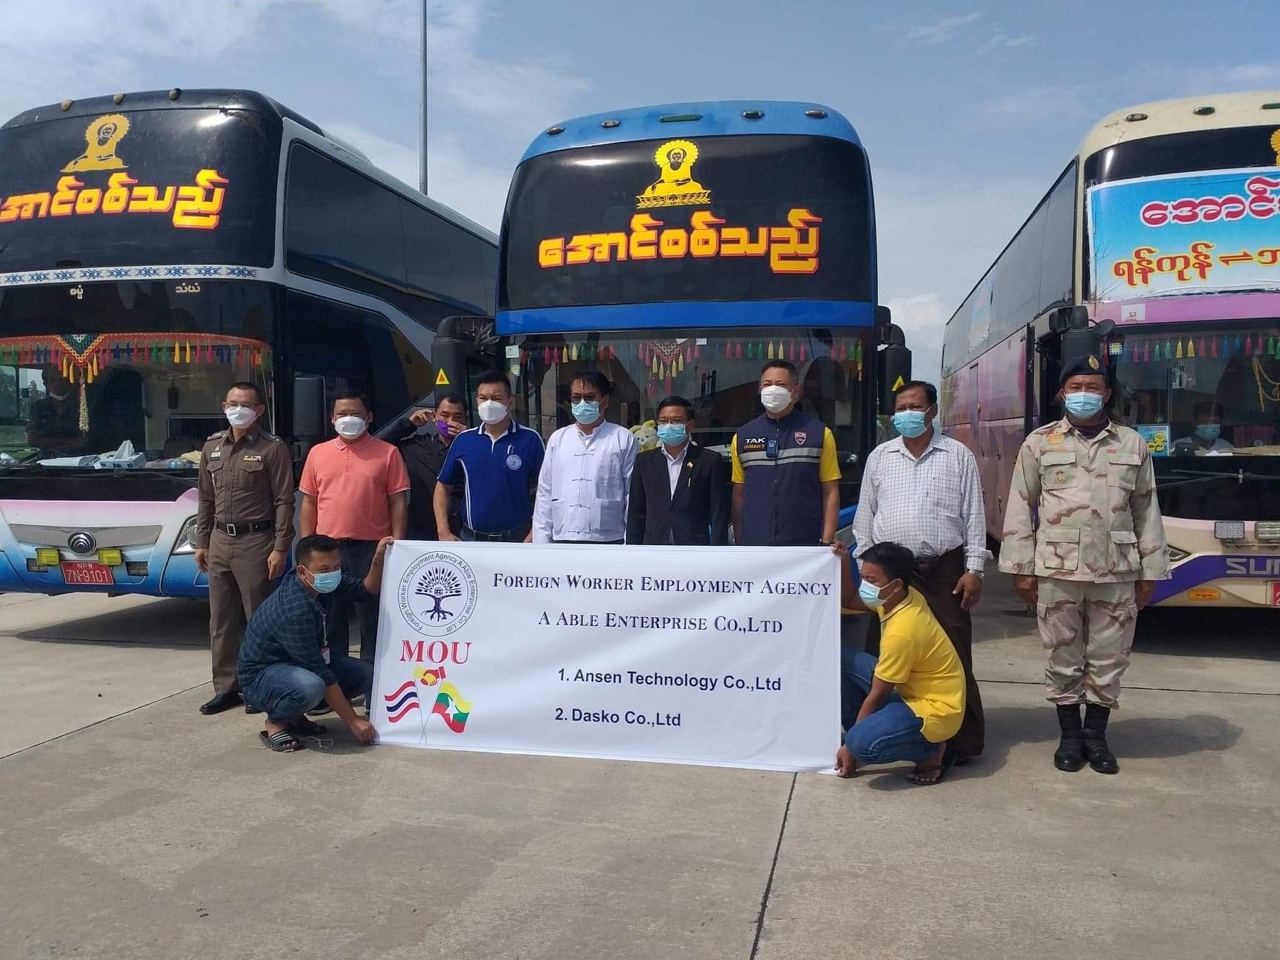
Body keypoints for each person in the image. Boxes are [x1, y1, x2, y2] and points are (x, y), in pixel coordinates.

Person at [999, 356, 1170, 775]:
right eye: (1076, 387)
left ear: (1107, 394)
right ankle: (1070, 737)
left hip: (1117, 569)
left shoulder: (1131, 444)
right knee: (1062, 655)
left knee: (1109, 657)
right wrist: (1021, 567)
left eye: (1093, 387)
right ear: (1062, 393)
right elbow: (1021, 504)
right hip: (1057, 570)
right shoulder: (1040, 442)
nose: (1084, 394)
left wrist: (1151, 570)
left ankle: (1096, 736)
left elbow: (1147, 509)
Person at [852, 380, 987, 761]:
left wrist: (974, 568)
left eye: (914, 407)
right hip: (892, 572)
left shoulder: (957, 455)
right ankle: (884, 729)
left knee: (953, 649)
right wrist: (866, 564)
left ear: (932, 411)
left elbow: (973, 514)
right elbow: (865, 515)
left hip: (943, 568)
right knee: (885, 649)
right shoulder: (881, 456)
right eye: (900, 408)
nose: (906, 414)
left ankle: (960, 743)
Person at [237, 534, 393, 752]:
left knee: (366, 673)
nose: (332, 573)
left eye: (336, 567)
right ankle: (276, 722)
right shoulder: (295, 610)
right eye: (324, 569)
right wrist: (353, 721)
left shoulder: (321, 583)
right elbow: (318, 670)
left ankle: (295, 717)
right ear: (303, 571)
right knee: (312, 686)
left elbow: (366, 590)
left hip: (298, 665)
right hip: (260, 677)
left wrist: (378, 559)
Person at [194, 382, 295, 716]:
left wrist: (280, 547)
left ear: (259, 410)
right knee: (221, 620)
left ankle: (259, 687)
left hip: (256, 541)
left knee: (258, 619)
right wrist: (202, 542)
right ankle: (226, 688)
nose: (238, 410)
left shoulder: (272, 448)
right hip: (220, 540)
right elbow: (205, 499)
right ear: (224, 405)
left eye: (246, 405)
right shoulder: (212, 446)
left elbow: (284, 500)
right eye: (233, 403)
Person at [833, 541, 965, 785]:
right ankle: (862, 728)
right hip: (908, 688)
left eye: (871, 580)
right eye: (863, 577)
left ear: (895, 585)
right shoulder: (901, 597)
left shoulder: (903, 631)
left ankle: (931, 751)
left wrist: (850, 747)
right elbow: (850, 600)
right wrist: (843, 562)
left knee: (862, 745)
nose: (865, 585)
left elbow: (878, 695)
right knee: (839, 660)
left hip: (933, 708)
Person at [299, 392, 409, 664]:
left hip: (371, 550)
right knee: (331, 620)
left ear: (368, 417)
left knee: (371, 620)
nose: (348, 419)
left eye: (356, 414)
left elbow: (398, 502)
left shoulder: (388, 453)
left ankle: (370, 679)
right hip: (328, 550)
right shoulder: (317, 453)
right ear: (332, 418)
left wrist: (397, 543)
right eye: (342, 414)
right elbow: (309, 502)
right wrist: (306, 546)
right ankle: (338, 677)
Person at [730, 359, 841, 546]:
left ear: (796, 391)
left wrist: (826, 541)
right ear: (760, 389)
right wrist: (740, 541)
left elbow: (830, 491)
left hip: (804, 544)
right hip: (755, 544)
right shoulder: (742, 437)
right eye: (767, 384)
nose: (773, 389)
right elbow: (739, 494)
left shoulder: (820, 434)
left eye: (781, 385)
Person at [435, 371, 544, 542]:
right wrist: (443, 531)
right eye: (483, 398)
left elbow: (546, 490)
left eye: (496, 398)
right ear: (477, 401)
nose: (489, 404)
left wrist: (534, 533)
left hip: (517, 539)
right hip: (471, 539)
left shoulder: (530, 439)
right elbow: (443, 487)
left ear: (509, 402)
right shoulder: (464, 440)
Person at [533, 370, 638, 544]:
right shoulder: (558, 439)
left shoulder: (622, 438)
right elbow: (545, 492)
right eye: (576, 398)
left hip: (609, 540)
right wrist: (541, 542)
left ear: (605, 401)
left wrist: (629, 544)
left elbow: (631, 495)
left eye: (589, 398)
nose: (582, 403)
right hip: (563, 538)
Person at [626, 395, 729, 545]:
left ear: (690, 425)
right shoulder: (644, 461)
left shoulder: (708, 460)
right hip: (654, 546)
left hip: (694, 546)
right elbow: (636, 512)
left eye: (676, 421)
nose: (669, 425)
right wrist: (633, 550)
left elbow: (718, 513)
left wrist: (717, 552)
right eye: (663, 421)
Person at [385, 393, 468, 540]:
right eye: (445, 415)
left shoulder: (473, 449)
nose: (450, 421)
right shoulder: (417, 446)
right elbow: (381, 447)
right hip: (421, 530)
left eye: (457, 416)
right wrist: (409, 424)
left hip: (462, 531)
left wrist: (468, 437)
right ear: (435, 417)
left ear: (465, 419)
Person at [26, 365, 83, 453]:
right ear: (46, 383)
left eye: (62, 379)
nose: (58, 383)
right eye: (53, 380)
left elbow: (84, 441)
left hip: (78, 459)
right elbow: (32, 440)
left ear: (71, 381)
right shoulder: (38, 407)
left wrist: (48, 442)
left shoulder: (82, 407)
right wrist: (69, 442)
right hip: (46, 459)